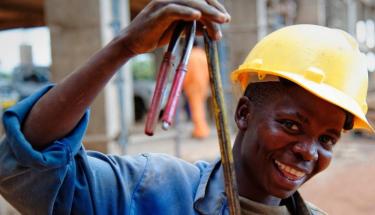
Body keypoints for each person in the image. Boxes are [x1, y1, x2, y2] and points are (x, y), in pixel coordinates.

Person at [0, 0, 372, 214]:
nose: (308, 151)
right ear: (242, 114)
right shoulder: (153, 189)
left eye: (327, 139)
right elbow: (28, 169)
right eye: (292, 125)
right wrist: (124, 46)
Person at [183, 40, 211, 139]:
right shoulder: (203, 54)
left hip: (193, 85)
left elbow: (186, 72)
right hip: (203, 84)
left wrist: (183, 85)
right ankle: (202, 129)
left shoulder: (190, 56)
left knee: (196, 109)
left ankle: (200, 131)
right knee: (201, 108)